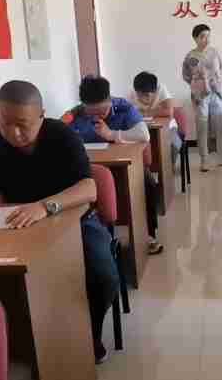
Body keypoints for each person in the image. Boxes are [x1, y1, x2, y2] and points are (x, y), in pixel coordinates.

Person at [0, 80, 119, 363]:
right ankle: (16, 346)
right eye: (5, 123)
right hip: (16, 225)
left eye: (23, 124)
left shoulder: (62, 136)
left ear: (41, 116)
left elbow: (89, 189)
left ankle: (87, 337)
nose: (14, 133)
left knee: (102, 275)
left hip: (75, 220)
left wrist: (45, 207)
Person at [64, 75, 164, 255]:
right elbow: (60, 137)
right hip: (88, 169)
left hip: (124, 166)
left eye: (102, 110)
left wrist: (112, 135)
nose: (97, 116)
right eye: (91, 113)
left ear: (109, 99)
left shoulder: (124, 107)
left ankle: (147, 234)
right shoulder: (75, 113)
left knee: (147, 183)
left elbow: (144, 135)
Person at [182, 24, 222, 171]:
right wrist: (197, 85)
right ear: (195, 38)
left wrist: (215, 84)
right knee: (202, 127)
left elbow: (220, 70)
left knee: (221, 125)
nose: (206, 40)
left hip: (215, 93)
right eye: (203, 37)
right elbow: (186, 75)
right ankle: (204, 159)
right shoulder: (190, 56)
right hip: (200, 96)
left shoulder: (215, 52)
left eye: (208, 36)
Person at [129, 71, 183, 159]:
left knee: (175, 143)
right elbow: (130, 114)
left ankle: (168, 165)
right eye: (140, 95)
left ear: (154, 91)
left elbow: (169, 111)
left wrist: (145, 113)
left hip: (167, 126)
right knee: (139, 145)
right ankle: (146, 166)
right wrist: (155, 111)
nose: (143, 98)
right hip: (143, 127)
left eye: (147, 95)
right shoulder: (132, 93)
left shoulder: (161, 89)